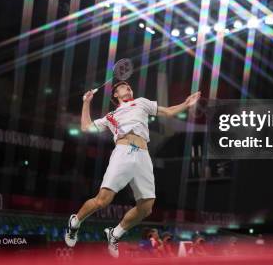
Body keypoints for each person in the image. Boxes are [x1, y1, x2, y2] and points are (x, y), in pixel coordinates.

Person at [65, 81, 201, 258]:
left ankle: (115, 233)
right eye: (123, 87)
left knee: (146, 207)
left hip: (143, 155)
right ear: (115, 94)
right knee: (102, 201)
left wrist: (186, 104)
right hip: (123, 152)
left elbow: (167, 111)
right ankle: (75, 222)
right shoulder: (111, 116)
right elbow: (85, 127)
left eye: (129, 86)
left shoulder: (142, 102)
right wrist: (86, 102)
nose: (128, 88)